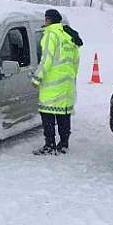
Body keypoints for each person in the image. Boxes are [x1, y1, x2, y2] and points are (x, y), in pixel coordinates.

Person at [31, 9, 84, 155]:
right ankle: (64, 144)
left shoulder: (50, 35)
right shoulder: (68, 35)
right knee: (63, 115)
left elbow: (46, 59)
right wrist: (70, 78)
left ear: (48, 20)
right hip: (66, 84)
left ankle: (49, 145)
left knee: (47, 115)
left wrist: (37, 78)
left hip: (52, 85)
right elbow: (75, 61)